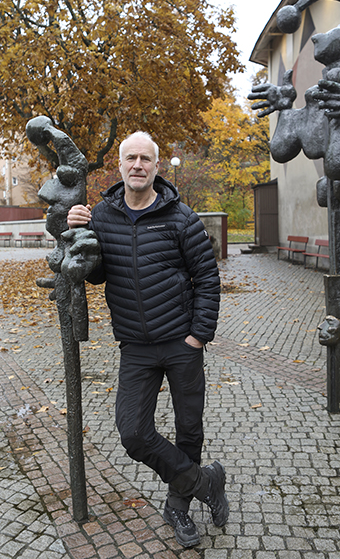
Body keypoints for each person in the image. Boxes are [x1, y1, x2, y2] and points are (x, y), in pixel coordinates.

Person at [67, 131, 228, 547]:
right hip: (135, 346)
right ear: (119, 166)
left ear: (157, 166)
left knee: (188, 428)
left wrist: (198, 335)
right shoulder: (102, 216)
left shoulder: (182, 218)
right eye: (130, 158)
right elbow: (98, 273)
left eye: (145, 158)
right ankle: (206, 481)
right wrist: (77, 232)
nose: (137, 165)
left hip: (180, 342)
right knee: (133, 432)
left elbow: (208, 279)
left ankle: (179, 508)